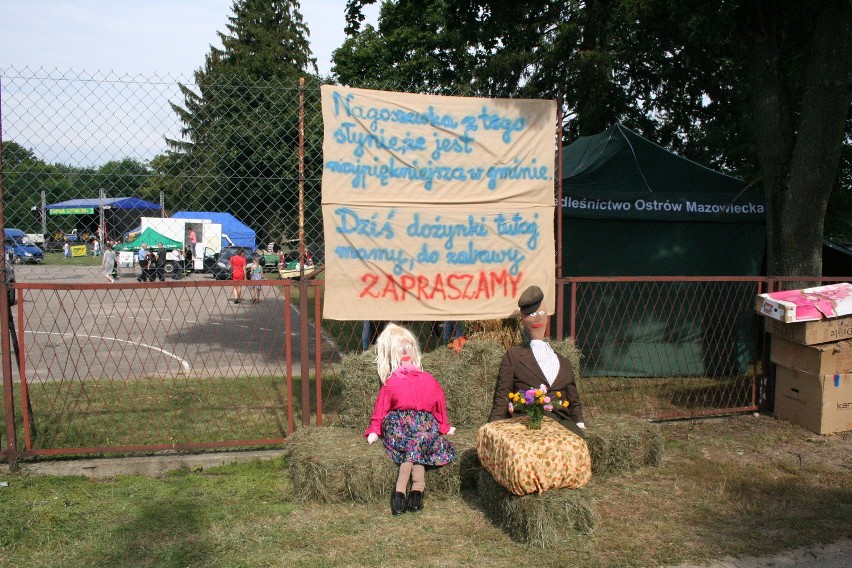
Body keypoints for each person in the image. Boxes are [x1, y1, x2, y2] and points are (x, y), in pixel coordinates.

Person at [365, 323, 456, 515]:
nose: (405, 352)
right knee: (415, 443)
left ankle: (400, 492)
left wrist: (444, 426)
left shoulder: (428, 379)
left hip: (423, 423)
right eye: (400, 349)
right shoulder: (392, 381)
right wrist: (375, 429)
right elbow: (381, 407)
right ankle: (417, 489)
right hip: (399, 424)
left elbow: (439, 402)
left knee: (416, 441)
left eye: (408, 347)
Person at [488, 285, 586, 438]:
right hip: (527, 423)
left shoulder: (563, 361)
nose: (537, 318)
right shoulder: (514, 356)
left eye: (541, 312)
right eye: (531, 313)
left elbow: (573, 400)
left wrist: (579, 423)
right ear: (523, 318)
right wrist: (492, 427)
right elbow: (502, 395)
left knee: (575, 446)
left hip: (561, 423)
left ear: (547, 315)